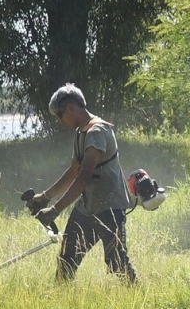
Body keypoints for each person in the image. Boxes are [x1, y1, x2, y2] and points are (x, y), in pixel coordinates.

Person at [26, 84, 137, 283]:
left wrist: (55, 210)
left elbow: (84, 177)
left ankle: (138, 297)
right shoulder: (81, 133)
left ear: (70, 108)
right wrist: (45, 197)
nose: (60, 121)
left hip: (110, 209)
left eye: (60, 115)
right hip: (88, 208)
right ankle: (60, 304)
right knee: (66, 260)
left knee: (116, 262)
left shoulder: (97, 131)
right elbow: (73, 171)